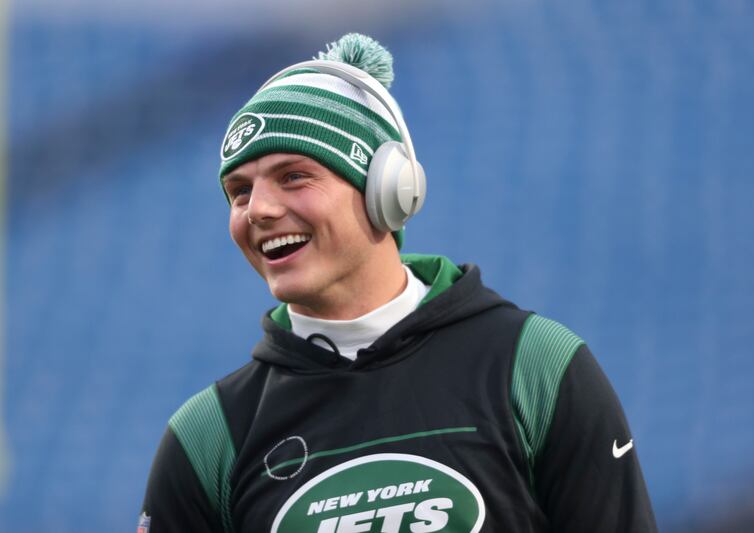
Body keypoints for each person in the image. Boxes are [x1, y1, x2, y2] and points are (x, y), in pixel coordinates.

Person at [140, 33, 657, 533]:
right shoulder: (208, 436)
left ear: (388, 189)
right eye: (239, 192)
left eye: (294, 176)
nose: (260, 210)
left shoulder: (536, 367)